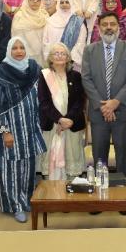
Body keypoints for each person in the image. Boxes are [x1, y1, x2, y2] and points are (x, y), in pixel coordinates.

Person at [0, 36, 46, 223]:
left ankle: (26, 199)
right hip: (11, 129)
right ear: (9, 51)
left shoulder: (34, 69)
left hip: (30, 128)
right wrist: (5, 132)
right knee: (11, 168)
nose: (18, 51)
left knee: (28, 167)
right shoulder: (1, 74)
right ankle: (14, 205)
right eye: (14, 48)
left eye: (21, 47)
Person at [81, 12, 126, 181]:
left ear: (119, 27)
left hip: (124, 111)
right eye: (104, 24)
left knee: (123, 158)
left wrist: (115, 102)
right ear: (99, 28)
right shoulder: (90, 50)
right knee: (99, 157)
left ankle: (122, 191)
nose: (109, 28)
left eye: (112, 24)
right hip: (98, 112)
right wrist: (103, 106)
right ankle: (100, 191)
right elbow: (86, 79)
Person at [38, 42, 87, 180]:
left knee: (72, 166)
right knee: (52, 164)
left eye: (63, 53)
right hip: (52, 126)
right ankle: (53, 193)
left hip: (72, 126)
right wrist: (59, 119)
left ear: (68, 57)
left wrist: (68, 119)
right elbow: (44, 102)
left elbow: (80, 101)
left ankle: (71, 192)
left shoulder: (76, 76)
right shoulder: (44, 75)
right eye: (56, 53)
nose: (59, 56)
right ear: (50, 58)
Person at [43, 0, 88, 71]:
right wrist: (52, 56)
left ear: (71, 3)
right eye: (62, 2)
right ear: (58, 4)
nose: (64, 4)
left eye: (67, 2)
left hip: (72, 62)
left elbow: (81, 42)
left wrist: (69, 58)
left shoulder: (77, 22)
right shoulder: (50, 21)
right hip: (54, 60)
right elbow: (46, 41)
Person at [11, 0, 48, 65]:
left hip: (41, 54)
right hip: (24, 54)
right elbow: (15, 36)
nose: (35, 1)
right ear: (26, 0)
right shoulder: (19, 15)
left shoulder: (44, 15)